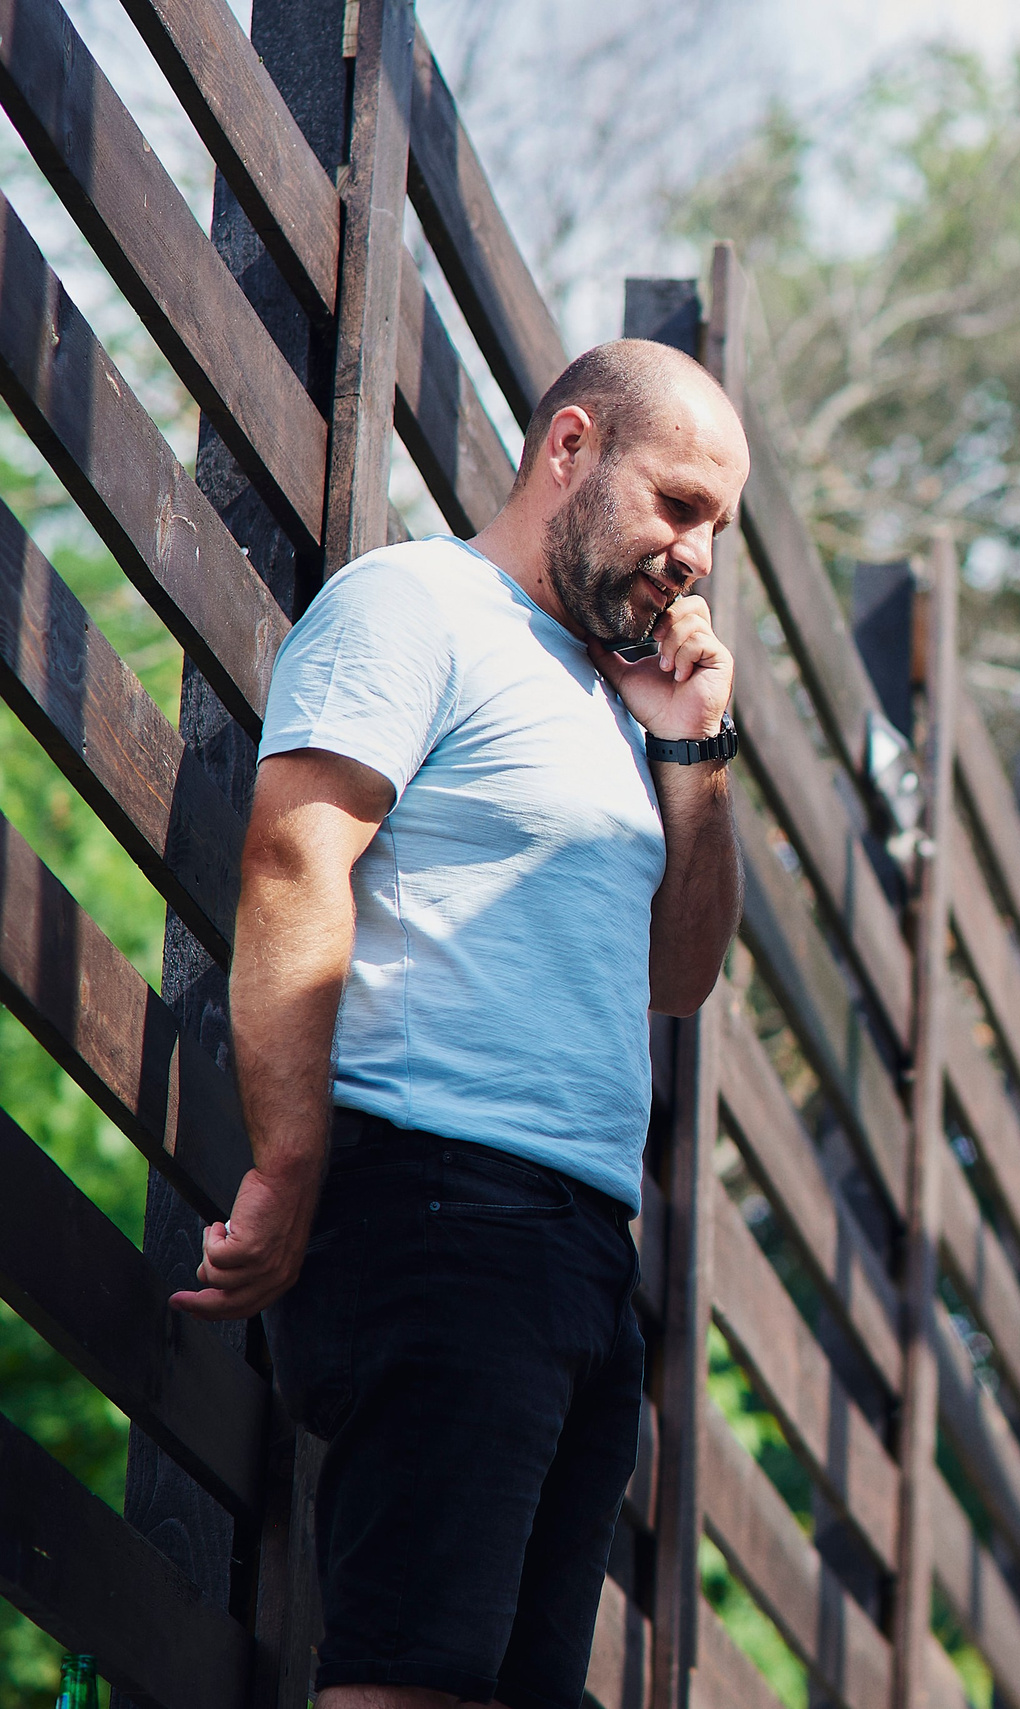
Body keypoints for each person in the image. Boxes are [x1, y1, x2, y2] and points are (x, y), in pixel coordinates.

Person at [169, 340, 750, 1709]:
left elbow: (681, 974)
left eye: (718, 527)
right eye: (678, 504)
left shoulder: (617, 710)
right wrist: (290, 1166)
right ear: (570, 449)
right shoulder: (415, 604)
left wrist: (695, 749)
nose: (698, 556)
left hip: (575, 1248)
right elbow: (293, 858)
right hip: (435, 1203)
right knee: (410, 1675)